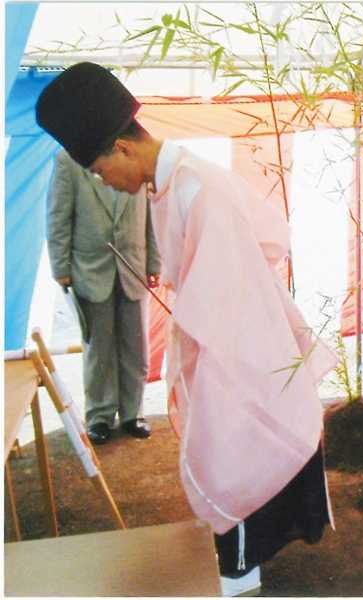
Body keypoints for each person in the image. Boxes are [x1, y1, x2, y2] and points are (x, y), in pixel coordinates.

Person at [36, 62, 337, 596]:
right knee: (229, 449)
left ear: (122, 149)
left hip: (236, 346)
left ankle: (240, 572)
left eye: (102, 172)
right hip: (218, 334)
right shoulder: (168, 181)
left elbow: (241, 276)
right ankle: (242, 560)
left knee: (233, 453)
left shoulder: (199, 188)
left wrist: (198, 338)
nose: (106, 183)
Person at [47, 149, 160, 444]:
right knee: (99, 349)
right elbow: (58, 215)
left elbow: (151, 215)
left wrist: (154, 262)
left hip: (133, 267)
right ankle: (99, 416)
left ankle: (133, 413)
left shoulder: (130, 150)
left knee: (136, 347)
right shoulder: (68, 160)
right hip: (89, 269)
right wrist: (61, 267)